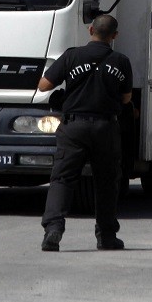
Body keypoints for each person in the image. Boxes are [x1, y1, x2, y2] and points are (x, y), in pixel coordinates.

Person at [36, 13, 134, 252]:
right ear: (114, 36)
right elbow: (126, 98)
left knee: (62, 178)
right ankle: (107, 236)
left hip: (74, 127)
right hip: (105, 127)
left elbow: (44, 85)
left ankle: (54, 230)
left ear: (91, 30)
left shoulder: (72, 55)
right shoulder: (121, 61)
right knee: (107, 182)